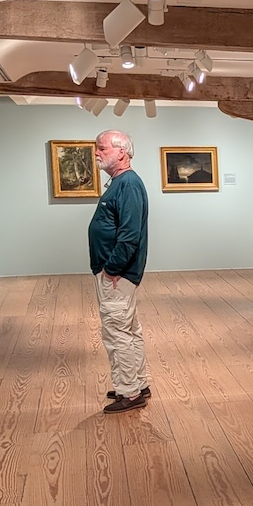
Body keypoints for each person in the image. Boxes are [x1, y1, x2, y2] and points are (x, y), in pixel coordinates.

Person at [89, 129, 150, 413]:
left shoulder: (127, 184)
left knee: (116, 332)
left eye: (101, 148)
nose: (97, 152)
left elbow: (129, 235)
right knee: (129, 329)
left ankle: (131, 393)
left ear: (121, 152)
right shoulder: (121, 182)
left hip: (118, 275)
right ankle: (136, 383)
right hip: (119, 274)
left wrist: (112, 268)